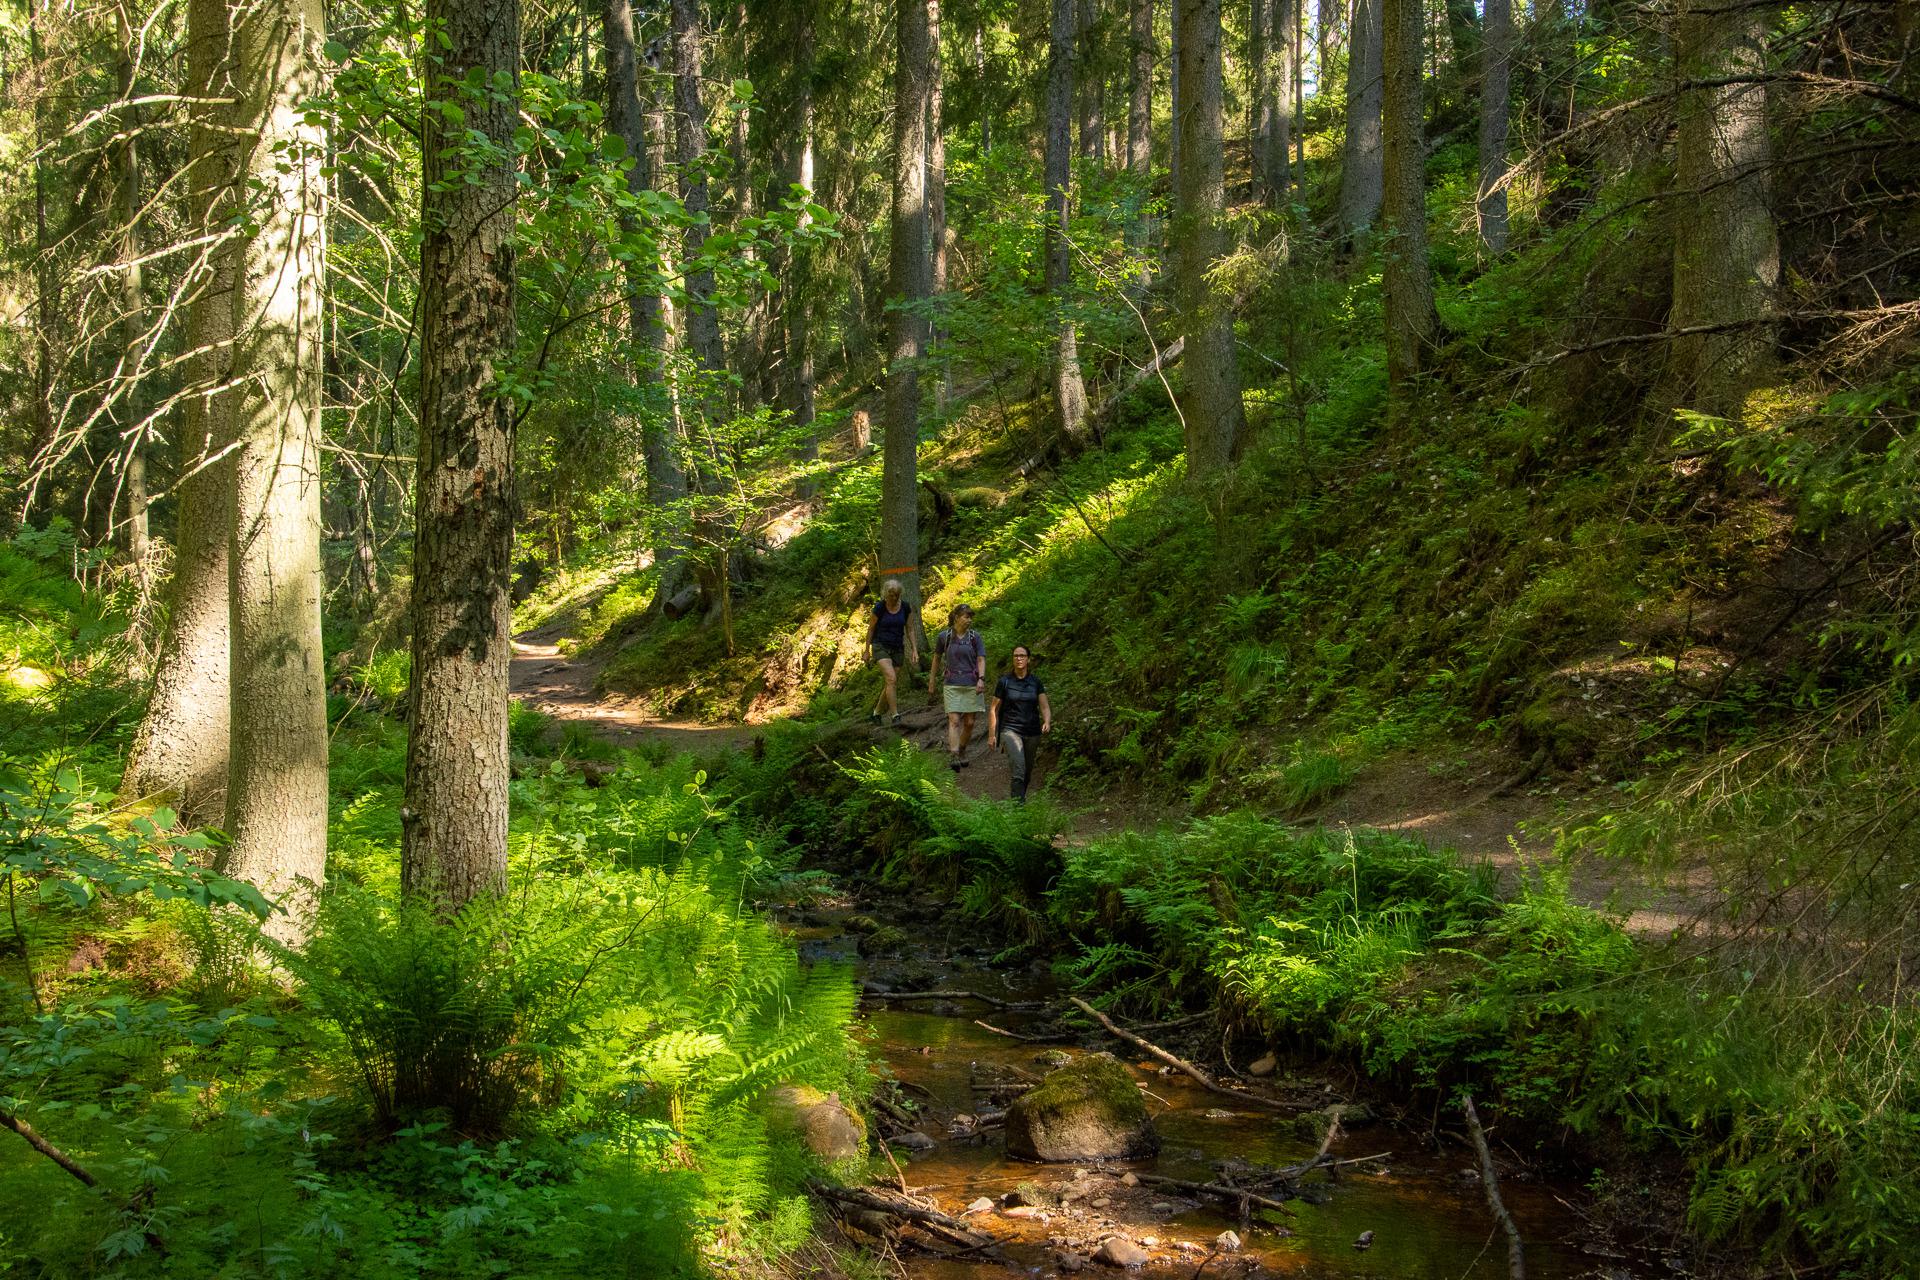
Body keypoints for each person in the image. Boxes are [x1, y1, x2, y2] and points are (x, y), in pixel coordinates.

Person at [989, 645, 1051, 801]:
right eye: (1016, 656)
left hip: (1032, 731)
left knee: (1027, 772)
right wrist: (992, 735)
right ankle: (1018, 809)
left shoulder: (1035, 682)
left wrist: (1047, 721)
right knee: (1019, 768)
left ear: (1028, 659)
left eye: (1022, 656)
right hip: (1010, 730)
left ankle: (1019, 801)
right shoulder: (1004, 682)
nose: (1018, 658)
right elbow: (993, 709)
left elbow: (1044, 706)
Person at [928, 603, 985, 767]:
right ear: (956, 617)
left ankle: (962, 749)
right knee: (954, 720)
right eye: (966, 616)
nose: (969, 620)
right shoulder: (943, 637)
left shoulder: (975, 637)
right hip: (951, 684)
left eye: (971, 617)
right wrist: (932, 680)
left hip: (972, 684)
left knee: (969, 723)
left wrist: (981, 679)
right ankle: (953, 755)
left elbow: (981, 659)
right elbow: (936, 659)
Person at [865, 579, 917, 726]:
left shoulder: (905, 607)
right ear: (885, 594)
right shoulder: (879, 608)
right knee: (891, 679)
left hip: (897, 648)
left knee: (890, 682)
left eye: (896, 595)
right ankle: (895, 715)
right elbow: (871, 629)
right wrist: (866, 650)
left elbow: (911, 629)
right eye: (891, 595)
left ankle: (876, 714)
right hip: (880, 646)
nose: (894, 598)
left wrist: (914, 649)